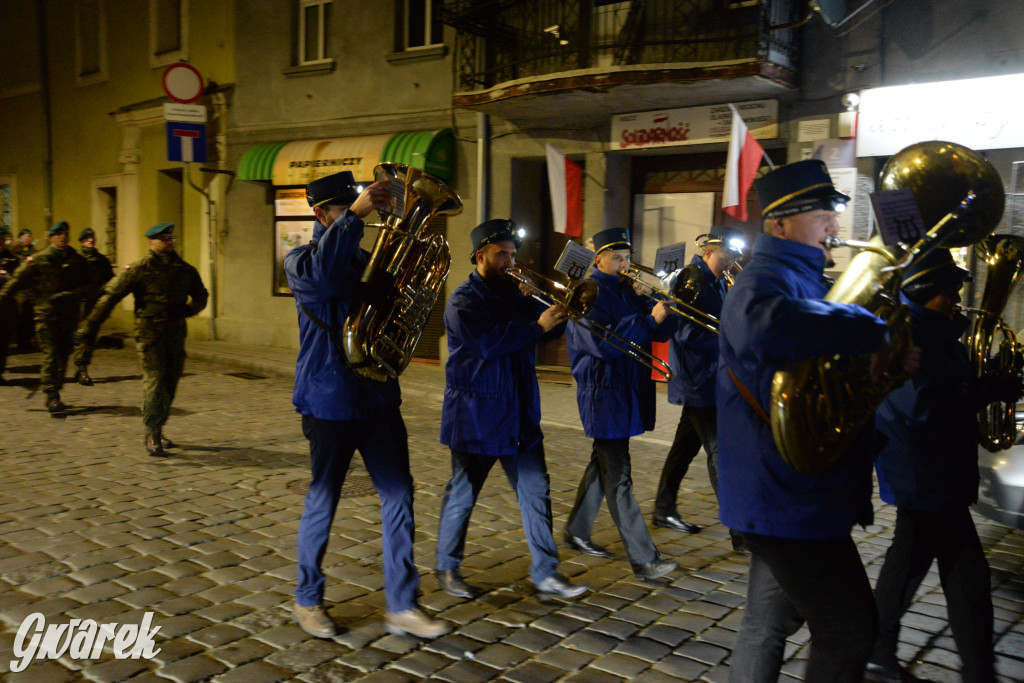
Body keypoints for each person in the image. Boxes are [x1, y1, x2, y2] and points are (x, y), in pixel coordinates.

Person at [717, 159, 917, 682]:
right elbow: (767, 327)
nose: (834, 224)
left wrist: (883, 372)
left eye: (834, 210)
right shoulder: (763, 279)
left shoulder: (801, 276)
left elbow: (829, 372)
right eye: (822, 212)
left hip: (796, 494)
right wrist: (866, 328)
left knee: (771, 621)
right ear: (780, 223)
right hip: (785, 498)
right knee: (849, 629)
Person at [284, 171, 449, 640]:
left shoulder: (363, 257)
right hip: (328, 400)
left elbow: (399, 305)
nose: (364, 216)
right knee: (323, 500)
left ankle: (401, 604)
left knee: (400, 496)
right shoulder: (301, 261)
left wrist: (407, 284)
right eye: (347, 209)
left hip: (377, 397)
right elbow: (326, 279)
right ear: (323, 214)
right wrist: (355, 219)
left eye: (360, 209)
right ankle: (307, 599)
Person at [435, 219, 589, 602]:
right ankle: (447, 566)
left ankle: (545, 574)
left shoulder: (517, 293)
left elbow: (542, 332)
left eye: (513, 254)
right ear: (480, 256)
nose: (509, 260)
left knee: (536, 491)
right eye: (501, 254)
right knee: (463, 494)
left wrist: (560, 311)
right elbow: (489, 344)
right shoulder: (463, 300)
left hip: (518, 412)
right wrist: (536, 325)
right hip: (477, 415)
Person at [866, 250, 1000, 683]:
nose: (957, 296)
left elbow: (950, 387)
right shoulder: (904, 334)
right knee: (968, 576)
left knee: (908, 560)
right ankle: (979, 671)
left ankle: (878, 651)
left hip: (936, 468)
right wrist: (985, 391)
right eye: (947, 290)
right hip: (922, 468)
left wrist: (992, 378)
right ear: (923, 290)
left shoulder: (939, 331)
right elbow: (921, 407)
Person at [563, 227, 679, 581]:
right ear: (598, 259)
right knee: (619, 476)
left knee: (604, 463)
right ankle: (645, 560)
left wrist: (663, 307)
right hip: (604, 391)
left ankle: (576, 530)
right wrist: (647, 318)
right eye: (617, 258)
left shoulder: (629, 289)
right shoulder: (588, 293)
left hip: (627, 390)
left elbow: (659, 333)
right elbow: (605, 344)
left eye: (628, 257)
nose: (626, 264)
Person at [75, 223, 208, 454]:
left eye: (170, 238)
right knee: (154, 379)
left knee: (171, 381)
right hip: (149, 332)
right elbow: (110, 297)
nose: (168, 241)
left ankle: (158, 427)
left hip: (175, 332)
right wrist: (88, 327)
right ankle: (153, 432)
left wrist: (188, 310)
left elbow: (201, 295)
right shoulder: (138, 268)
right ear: (150, 242)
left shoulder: (184, 269)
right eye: (162, 238)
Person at [652, 226, 745, 549]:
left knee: (684, 447)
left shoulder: (719, 280)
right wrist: (729, 340)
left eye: (734, 258)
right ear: (709, 252)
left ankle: (663, 508)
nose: (730, 264)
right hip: (698, 379)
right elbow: (685, 334)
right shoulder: (692, 279)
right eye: (726, 257)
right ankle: (740, 532)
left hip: (712, 378)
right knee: (720, 453)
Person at [0, 221, 90, 412]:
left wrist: (71, 295)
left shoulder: (77, 260)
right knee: (50, 354)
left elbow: (90, 286)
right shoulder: (39, 259)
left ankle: (56, 388)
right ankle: (52, 395)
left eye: (66, 234)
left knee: (64, 354)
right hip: (46, 315)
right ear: (51, 238)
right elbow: (17, 280)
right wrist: (4, 296)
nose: (63, 237)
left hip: (69, 316)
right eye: (59, 234)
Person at [72, 227, 114, 386]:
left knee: (90, 338)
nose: (90, 240)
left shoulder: (102, 260)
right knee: (82, 335)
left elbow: (111, 279)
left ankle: (82, 366)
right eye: (87, 238)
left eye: (92, 237)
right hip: (79, 304)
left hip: (96, 304)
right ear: (82, 241)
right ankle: (82, 369)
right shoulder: (76, 259)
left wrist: (106, 290)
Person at [0, 227, 21, 384]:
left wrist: (8, 277)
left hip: (6, 305)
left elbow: (19, 278)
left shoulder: (12, 259)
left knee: (4, 339)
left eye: (2, 239)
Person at [12, 228, 38, 352]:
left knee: (31, 316)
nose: (27, 239)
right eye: (24, 236)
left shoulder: (34, 252)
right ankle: (21, 342)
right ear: (20, 238)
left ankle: (29, 340)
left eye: (29, 236)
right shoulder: (14, 252)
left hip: (31, 289)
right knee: (21, 315)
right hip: (19, 289)